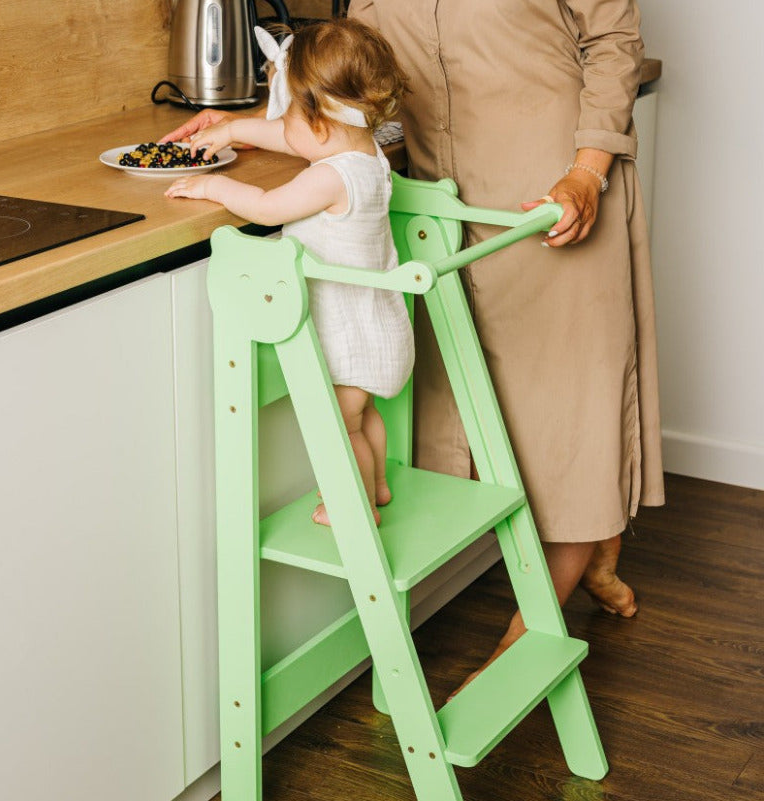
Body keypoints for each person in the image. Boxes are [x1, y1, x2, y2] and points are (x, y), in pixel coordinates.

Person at [164, 1, 665, 690]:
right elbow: (348, 85)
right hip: (439, 201)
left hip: (552, 196)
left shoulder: (571, 181)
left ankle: (536, 623)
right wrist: (245, 126)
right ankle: (596, 547)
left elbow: (613, 40)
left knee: (567, 415)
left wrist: (586, 172)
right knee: (490, 414)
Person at [165, 19, 414, 527]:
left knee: (340, 426)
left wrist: (212, 189)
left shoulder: (328, 176)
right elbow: (291, 137)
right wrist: (232, 128)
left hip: (346, 332)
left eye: (287, 113)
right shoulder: (364, 153)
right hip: (377, 322)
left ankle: (359, 505)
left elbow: (266, 207)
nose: (280, 128)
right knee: (364, 417)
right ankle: (381, 485)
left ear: (318, 119)